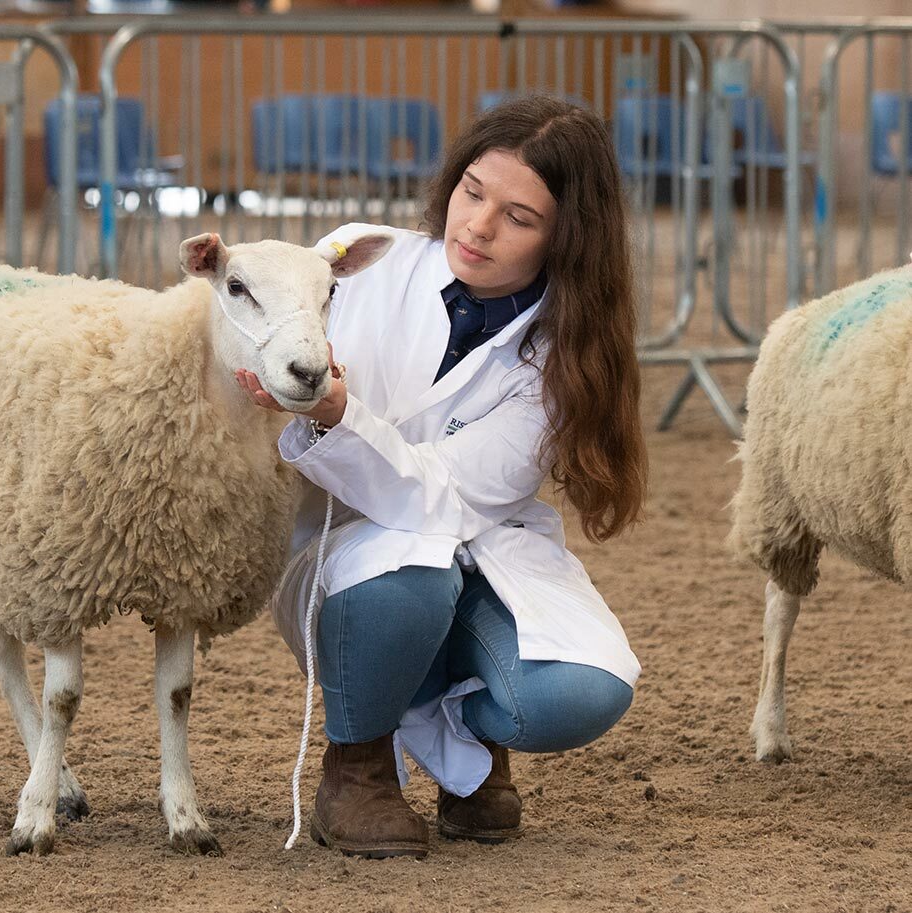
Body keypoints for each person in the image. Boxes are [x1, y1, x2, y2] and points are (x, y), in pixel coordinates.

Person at [241, 95, 646, 859]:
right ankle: (356, 768)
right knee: (411, 573)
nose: (478, 226)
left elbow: (440, 496)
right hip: (344, 555)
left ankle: (456, 725)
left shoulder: (566, 354)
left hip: (480, 548)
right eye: (472, 191)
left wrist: (337, 412)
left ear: (569, 236)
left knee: (582, 688)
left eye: (520, 218)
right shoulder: (358, 264)